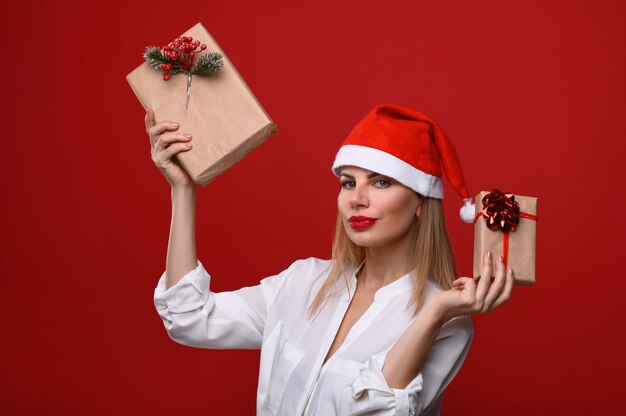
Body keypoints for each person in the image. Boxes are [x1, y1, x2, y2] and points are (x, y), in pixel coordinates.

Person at [146, 103, 514, 416]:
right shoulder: (302, 282)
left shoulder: (447, 321)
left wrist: (433, 313)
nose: (357, 198)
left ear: (420, 202)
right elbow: (189, 317)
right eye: (348, 182)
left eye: (381, 182)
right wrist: (182, 190)